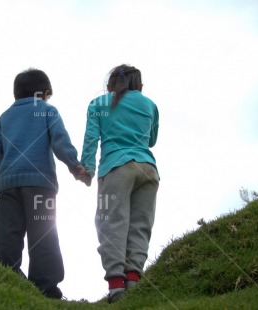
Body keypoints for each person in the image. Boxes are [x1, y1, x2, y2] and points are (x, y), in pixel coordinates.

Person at [0, 68, 86, 299]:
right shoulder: (46, 110)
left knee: (7, 235)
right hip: (40, 185)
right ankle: (46, 288)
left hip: (8, 186)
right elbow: (60, 140)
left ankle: (9, 280)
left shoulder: (5, 117)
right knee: (43, 234)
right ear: (45, 93)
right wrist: (74, 165)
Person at [80, 64, 160, 303]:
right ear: (140, 86)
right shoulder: (150, 105)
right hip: (148, 169)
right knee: (140, 225)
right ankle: (133, 280)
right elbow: (152, 139)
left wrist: (88, 169)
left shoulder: (98, 104)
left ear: (110, 85)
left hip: (115, 169)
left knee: (111, 223)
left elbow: (91, 139)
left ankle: (116, 287)